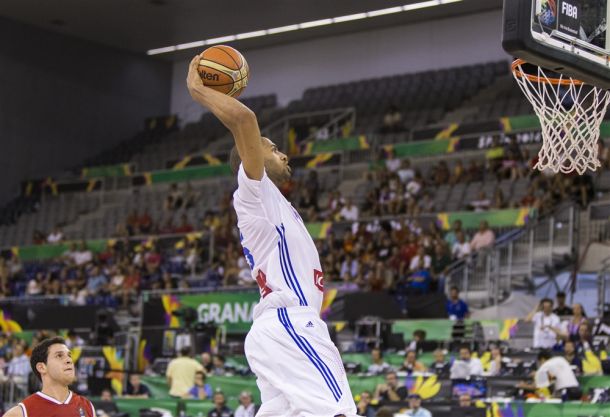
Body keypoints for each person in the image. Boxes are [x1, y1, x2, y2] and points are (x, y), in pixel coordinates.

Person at [187, 55, 356, 417]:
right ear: (251, 157)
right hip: (290, 322)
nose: (283, 152)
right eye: (272, 147)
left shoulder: (272, 202)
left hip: (277, 330)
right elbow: (245, 121)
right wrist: (198, 91)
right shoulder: (253, 192)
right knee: (338, 411)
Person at [3, 337, 96, 417]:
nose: (69, 360)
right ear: (42, 367)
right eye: (59, 355)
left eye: (69, 355)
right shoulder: (21, 412)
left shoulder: (88, 406)